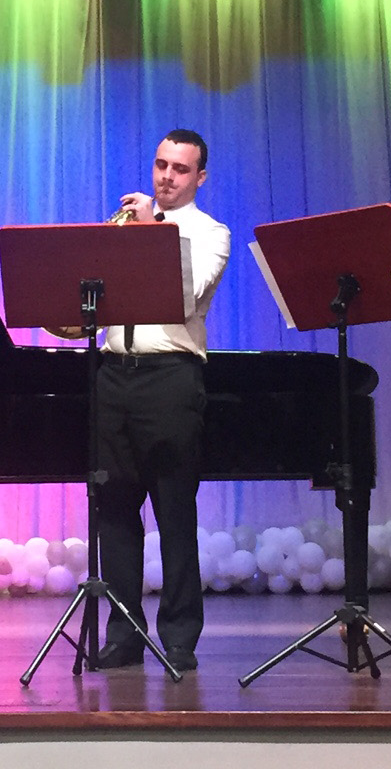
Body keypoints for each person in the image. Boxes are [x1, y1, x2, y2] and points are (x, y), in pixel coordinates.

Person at [94, 129, 231, 673]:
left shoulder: (210, 232)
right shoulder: (122, 227)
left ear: (200, 177)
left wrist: (154, 228)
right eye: (160, 165)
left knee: (174, 512)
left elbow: (186, 295)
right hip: (114, 374)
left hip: (171, 379)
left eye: (180, 169)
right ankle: (125, 634)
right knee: (114, 511)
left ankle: (179, 637)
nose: (166, 177)